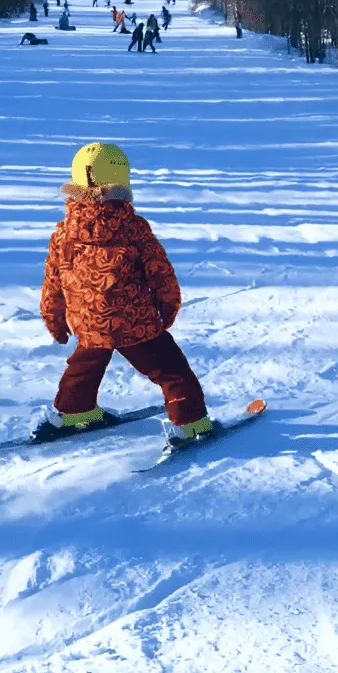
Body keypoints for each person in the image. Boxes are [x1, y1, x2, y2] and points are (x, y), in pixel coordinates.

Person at [40, 143, 212, 448]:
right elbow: (159, 271)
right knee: (172, 371)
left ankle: (72, 411)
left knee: (83, 367)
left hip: (89, 324)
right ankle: (191, 422)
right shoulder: (133, 228)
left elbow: (53, 279)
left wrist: (54, 317)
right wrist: (168, 307)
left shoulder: (63, 231)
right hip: (135, 322)